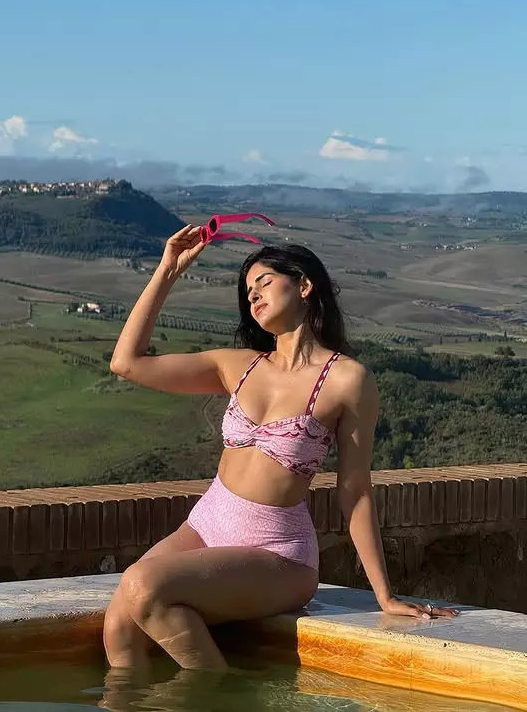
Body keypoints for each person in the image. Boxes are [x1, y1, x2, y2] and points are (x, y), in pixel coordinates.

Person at [103, 225, 458, 673]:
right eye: (247, 290)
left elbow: (355, 490)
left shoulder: (347, 380)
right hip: (206, 525)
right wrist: (168, 270)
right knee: (118, 626)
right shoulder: (237, 366)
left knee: (144, 585)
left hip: (278, 553)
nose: (253, 295)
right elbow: (126, 363)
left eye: (264, 282)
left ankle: (222, 698)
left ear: (304, 286)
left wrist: (383, 594)